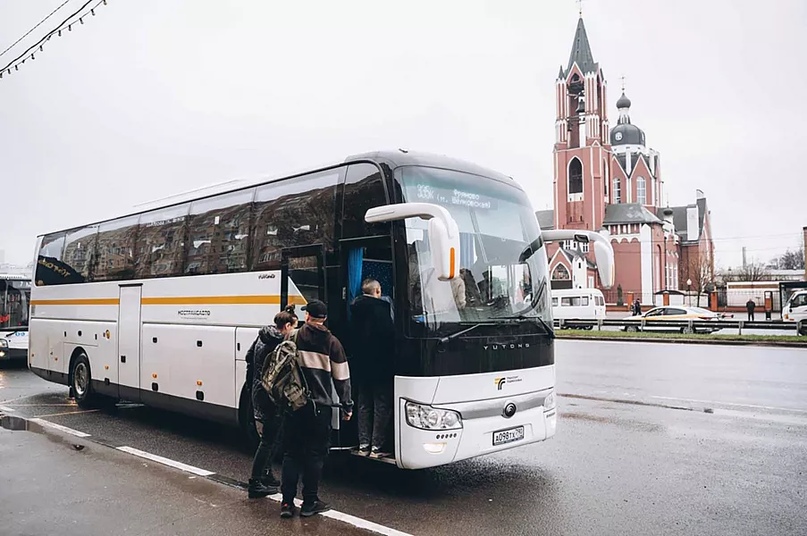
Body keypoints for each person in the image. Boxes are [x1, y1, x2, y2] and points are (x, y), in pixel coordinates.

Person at [280, 299, 353, 519]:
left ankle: (286, 502)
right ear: (324, 319)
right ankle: (310, 502)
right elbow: (342, 379)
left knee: (291, 454)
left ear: (308, 316)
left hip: (294, 405)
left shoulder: (293, 336)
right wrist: (347, 406)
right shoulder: (333, 343)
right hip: (320, 408)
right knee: (315, 456)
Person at [244, 309, 297, 498]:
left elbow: (249, 357)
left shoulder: (261, 336)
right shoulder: (280, 343)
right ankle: (256, 481)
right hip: (270, 395)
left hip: (258, 390)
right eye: (294, 326)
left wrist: (253, 384)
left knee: (268, 437)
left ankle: (266, 475)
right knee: (268, 440)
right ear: (287, 326)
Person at [350, 279, 395, 458]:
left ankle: (363, 444)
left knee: (363, 405)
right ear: (377, 291)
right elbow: (389, 338)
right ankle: (377, 446)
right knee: (381, 406)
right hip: (380, 365)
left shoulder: (355, 308)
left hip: (361, 366)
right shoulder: (381, 309)